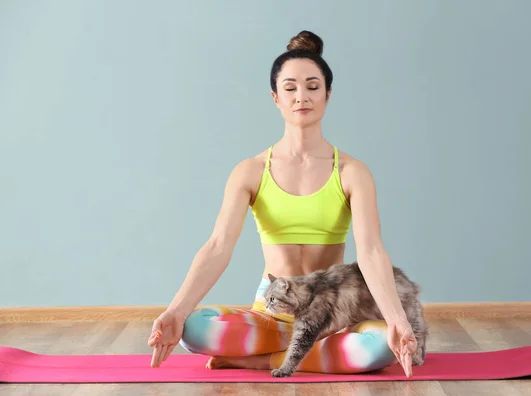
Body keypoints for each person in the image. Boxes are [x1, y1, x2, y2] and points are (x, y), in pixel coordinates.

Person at [147, 30, 419, 377]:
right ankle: (306, 355)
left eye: (312, 86)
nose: (301, 97)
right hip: (270, 315)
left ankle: (262, 360)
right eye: (290, 88)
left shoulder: (353, 172)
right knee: (193, 328)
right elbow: (217, 247)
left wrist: (397, 319)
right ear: (275, 97)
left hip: (331, 316)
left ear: (328, 94)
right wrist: (175, 312)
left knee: (381, 345)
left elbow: (371, 253)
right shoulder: (250, 171)